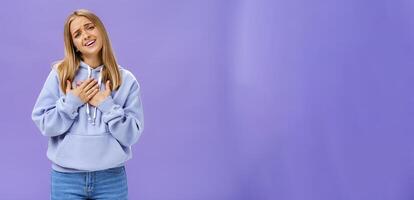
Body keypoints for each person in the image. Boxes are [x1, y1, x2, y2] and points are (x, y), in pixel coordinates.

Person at [31, 9, 144, 200]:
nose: (86, 35)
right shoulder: (60, 75)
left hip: (111, 178)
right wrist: (71, 103)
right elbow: (45, 124)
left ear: (100, 30)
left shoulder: (126, 80)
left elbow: (131, 135)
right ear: (73, 44)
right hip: (66, 178)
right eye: (77, 34)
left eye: (90, 27)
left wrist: (106, 105)